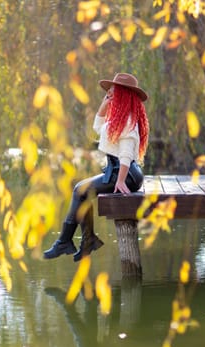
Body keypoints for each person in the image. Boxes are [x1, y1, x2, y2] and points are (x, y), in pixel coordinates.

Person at [43, 72, 149, 262]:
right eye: (110, 92)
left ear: (124, 94)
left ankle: (68, 242)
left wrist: (122, 180)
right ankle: (85, 240)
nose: (110, 94)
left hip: (126, 174)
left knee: (79, 190)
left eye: (114, 92)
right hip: (119, 172)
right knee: (81, 191)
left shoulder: (127, 121)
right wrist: (105, 103)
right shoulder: (120, 117)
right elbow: (97, 127)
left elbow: (125, 154)